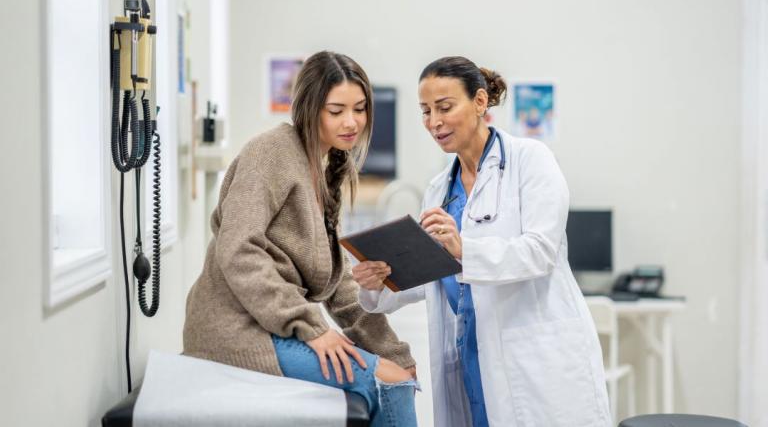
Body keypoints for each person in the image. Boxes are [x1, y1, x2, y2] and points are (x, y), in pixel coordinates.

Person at [353, 56, 611, 427]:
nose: (434, 122)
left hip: (533, 360)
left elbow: (540, 251)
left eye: (444, 107)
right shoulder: (439, 191)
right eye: (425, 111)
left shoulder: (530, 161)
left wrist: (464, 249)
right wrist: (380, 282)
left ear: (479, 102)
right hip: (470, 356)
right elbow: (434, 276)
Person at [183, 51, 418, 427]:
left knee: (398, 374)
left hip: (276, 326)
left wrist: (392, 350)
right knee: (388, 382)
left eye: (360, 109)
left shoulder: (323, 169)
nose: (351, 122)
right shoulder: (271, 152)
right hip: (236, 331)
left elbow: (340, 286)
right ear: (310, 108)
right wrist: (312, 328)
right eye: (336, 110)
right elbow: (238, 248)